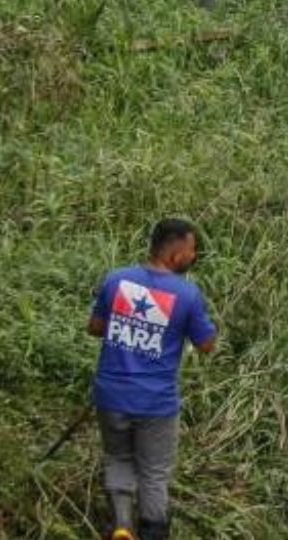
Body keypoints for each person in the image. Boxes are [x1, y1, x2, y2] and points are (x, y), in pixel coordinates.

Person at [87, 218, 218, 540]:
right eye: (191, 250)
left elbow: (94, 327)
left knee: (118, 458)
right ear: (175, 253)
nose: (193, 255)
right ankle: (153, 533)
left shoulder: (117, 280)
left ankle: (121, 526)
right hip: (155, 402)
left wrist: (128, 325)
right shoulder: (187, 294)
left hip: (110, 394)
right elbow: (206, 345)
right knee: (154, 472)